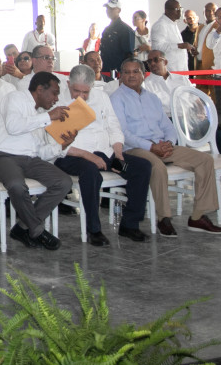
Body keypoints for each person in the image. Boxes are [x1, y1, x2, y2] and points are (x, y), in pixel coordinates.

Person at [111, 58, 221, 237]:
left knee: (204, 160)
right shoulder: (116, 99)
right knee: (157, 166)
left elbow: (167, 126)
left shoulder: (152, 98)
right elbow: (123, 133)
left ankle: (198, 216)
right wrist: (151, 147)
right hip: (134, 148)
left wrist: (169, 143)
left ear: (143, 75)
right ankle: (163, 218)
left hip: (161, 146)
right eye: (127, 72)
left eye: (136, 71)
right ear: (121, 75)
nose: (131, 76)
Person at [55, 66, 151, 245]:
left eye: (85, 92)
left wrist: (118, 151)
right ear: (68, 84)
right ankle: (94, 230)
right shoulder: (57, 101)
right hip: (72, 156)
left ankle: (129, 224)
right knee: (91, 172)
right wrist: (89, 156)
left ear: (92, 87)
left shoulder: (101, 97)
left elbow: (114, 126)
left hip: (105, 154)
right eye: (76, 91)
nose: (81, 96)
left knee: (141, 167)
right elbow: (56, 143)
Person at [0, 72, 75, 251]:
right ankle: (37, 230)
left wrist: (61, 146)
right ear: (40, 89)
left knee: (64, 182)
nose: (56, 99)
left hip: (30, 160)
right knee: (17, 185)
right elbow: (14, 126)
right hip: (2, 156)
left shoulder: (40, 113)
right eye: (54, 93)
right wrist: (48, 117)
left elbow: (40, 151)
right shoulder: (15, 98)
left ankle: (23, 227)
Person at [149, 0, 190, 73]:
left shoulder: (173, 23)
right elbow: (157, 48)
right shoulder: (160, 25)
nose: (179, 12)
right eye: (177, 9)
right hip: (170, 71)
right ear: (167, 11)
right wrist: (179, 46)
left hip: (180, 69)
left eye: (180, 9)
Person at [99, 0, 135, 75]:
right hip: (105, 70)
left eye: (112, 8)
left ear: (119, 10)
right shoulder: (106, 30)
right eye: (107, 8)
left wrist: (125, 73)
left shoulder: (125, 29)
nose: (109, 11)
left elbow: (129, 55)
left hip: (119, 71)